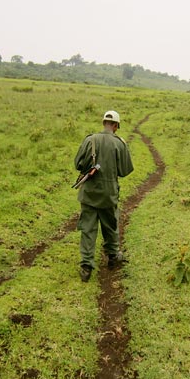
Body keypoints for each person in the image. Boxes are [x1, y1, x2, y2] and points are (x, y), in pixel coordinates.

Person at [74, 110, 134, 282]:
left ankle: (86, 267)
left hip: (89, 193)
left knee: (88, 228)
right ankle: (113, 257)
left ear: (103, 123)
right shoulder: (119, 143)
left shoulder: (90, 140)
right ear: (116, 126)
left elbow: (78, 163)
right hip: (109, 194)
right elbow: (124, 171)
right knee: (111, 225)